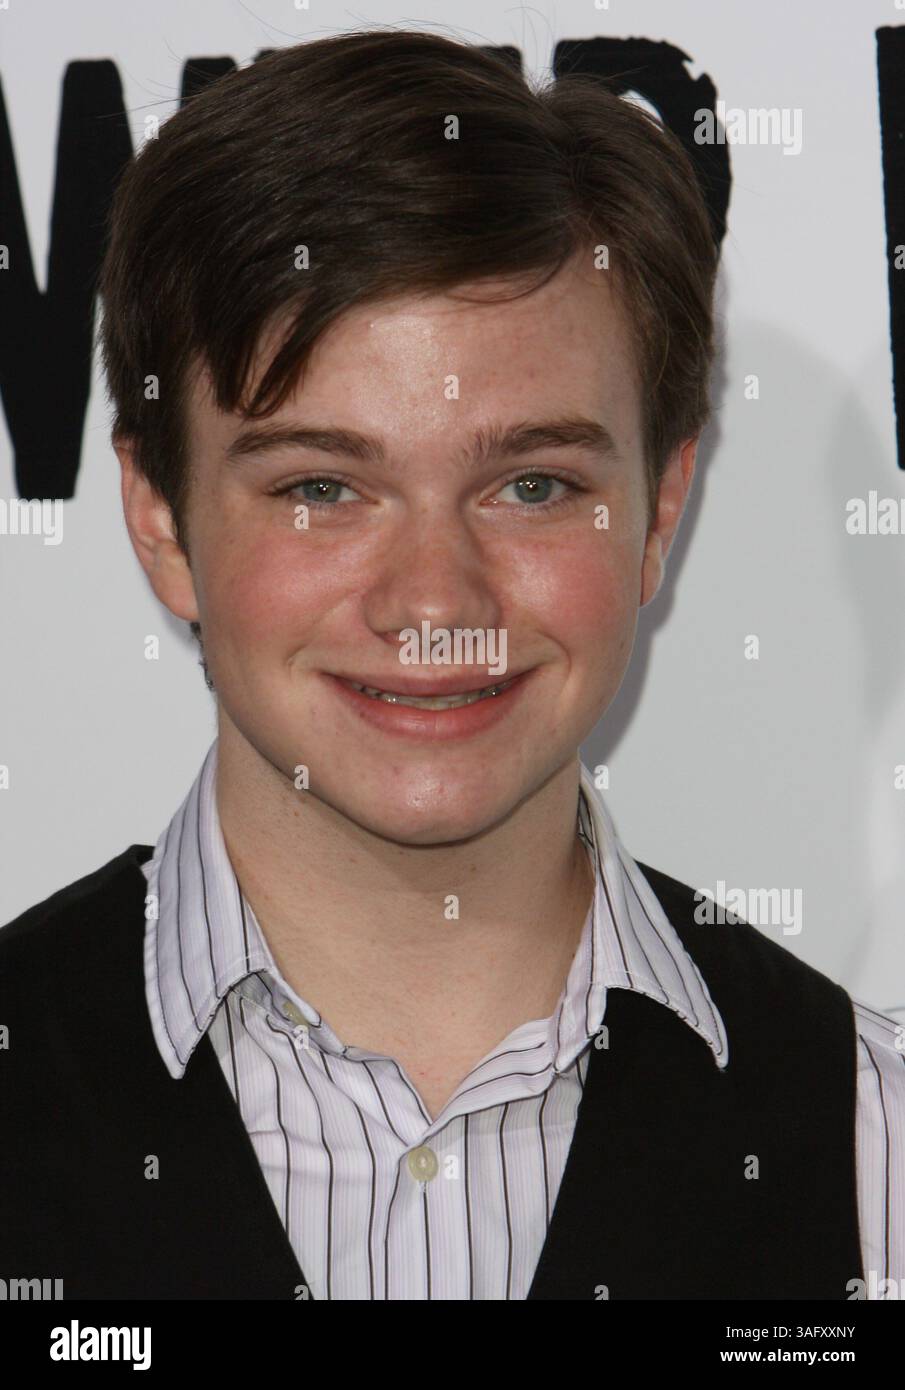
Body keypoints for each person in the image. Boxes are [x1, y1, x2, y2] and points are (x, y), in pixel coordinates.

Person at [1, 27, 901, 1301]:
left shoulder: (881, 1155)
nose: (434, 601)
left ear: (655, 516)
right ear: (160, 520)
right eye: (323, 486)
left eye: (530, 485)